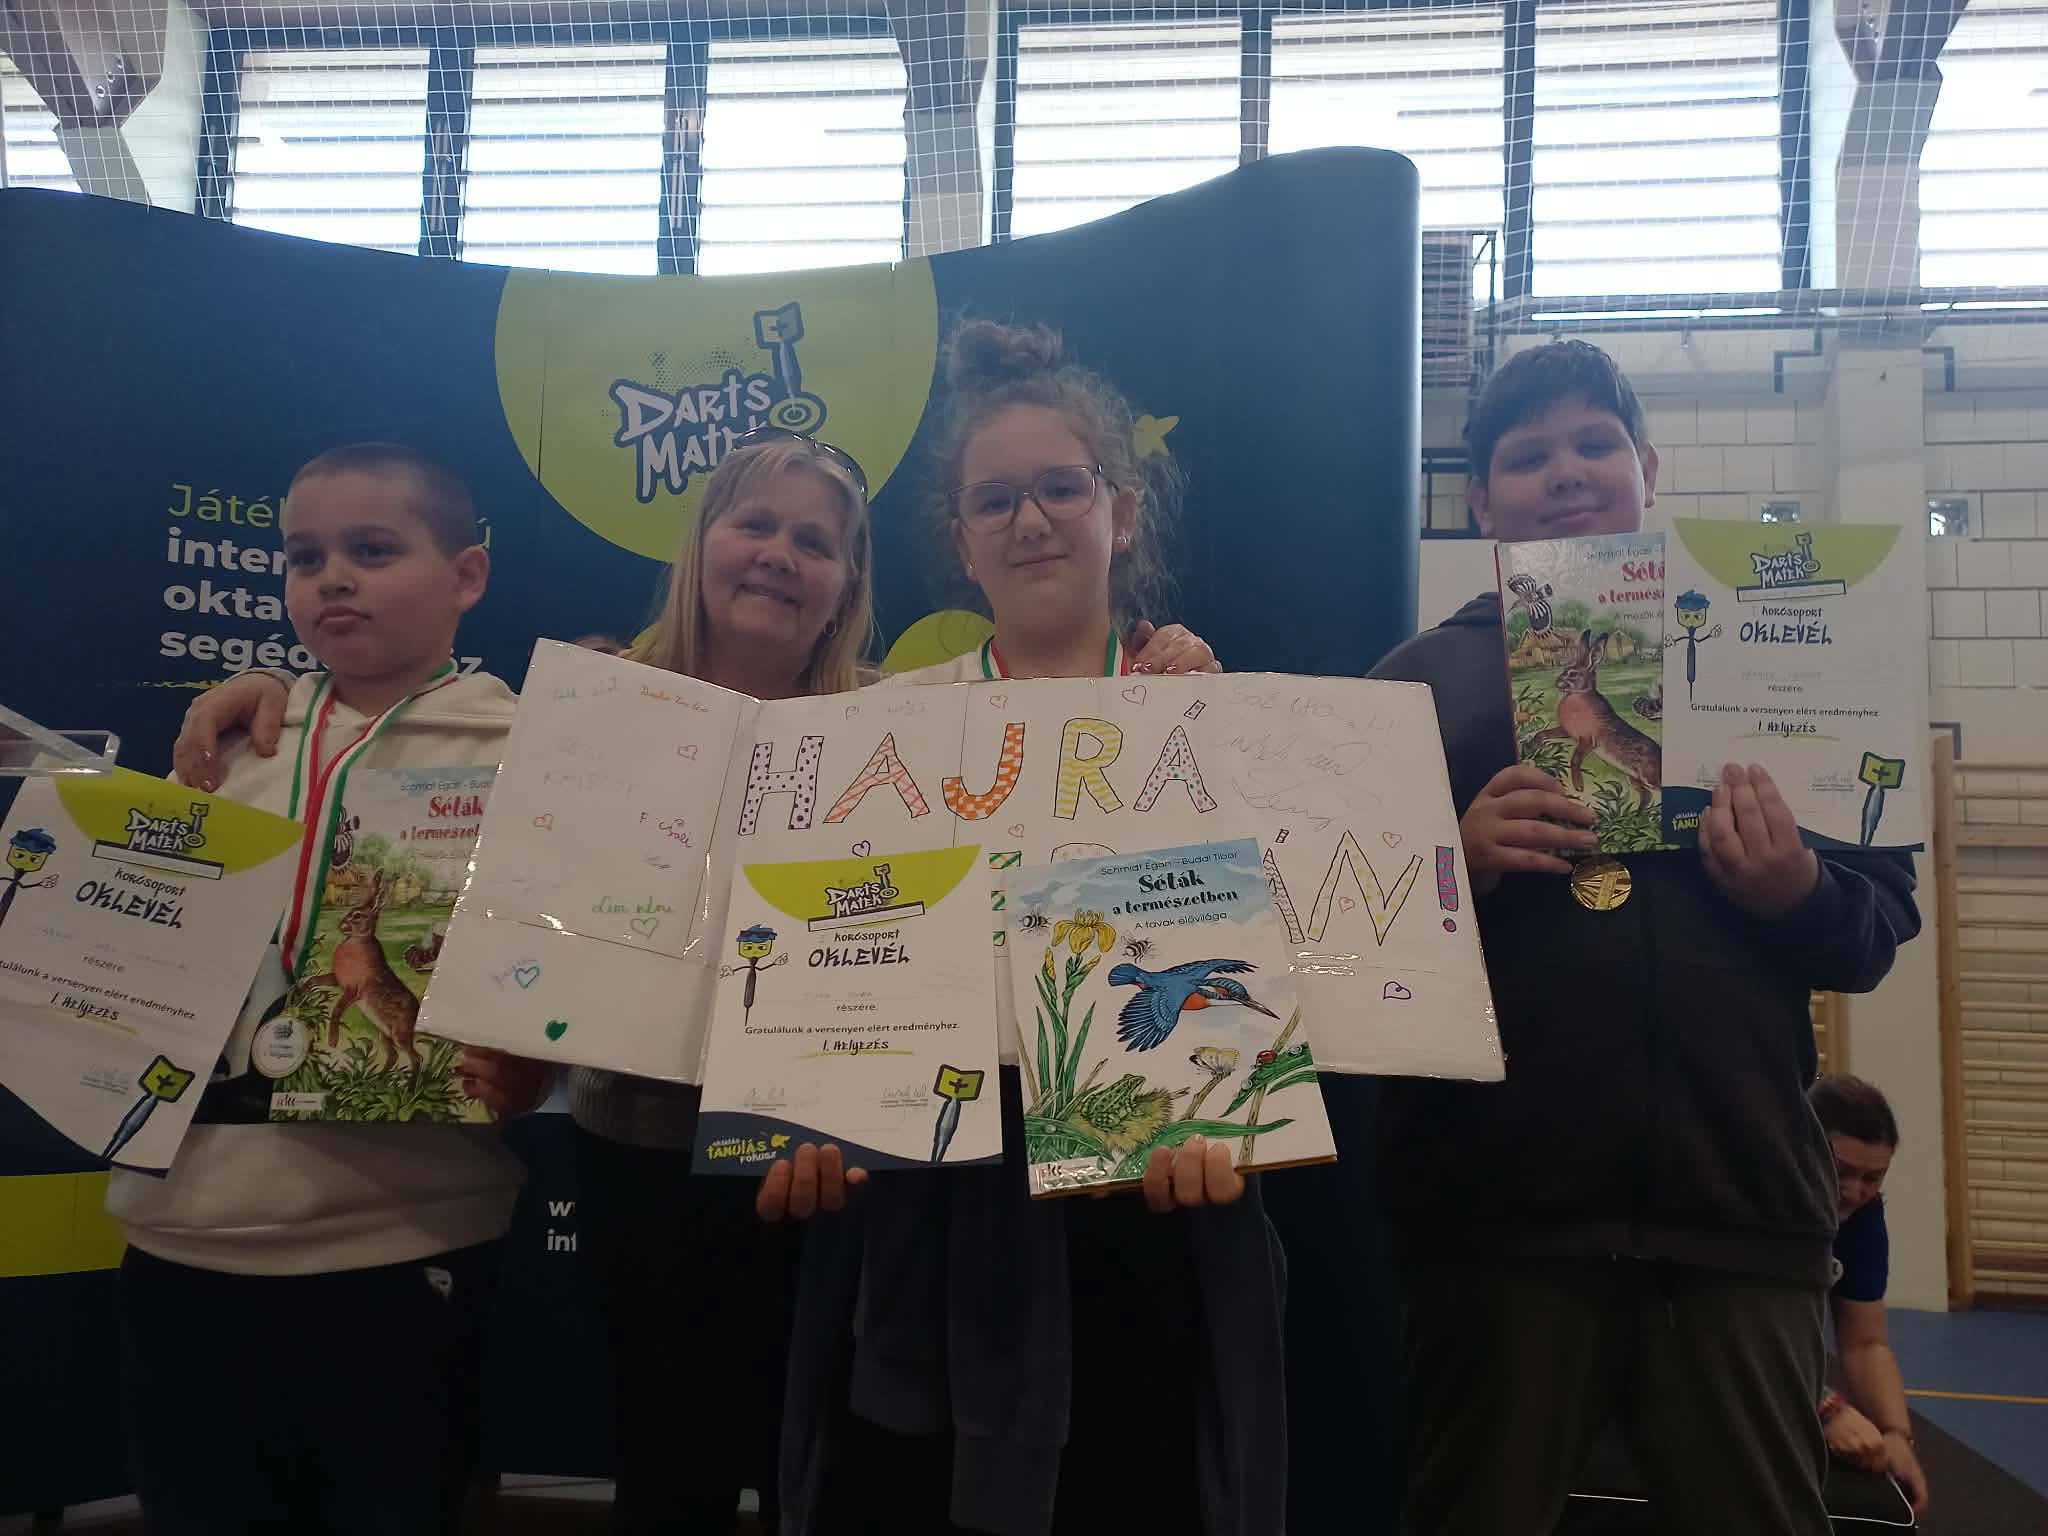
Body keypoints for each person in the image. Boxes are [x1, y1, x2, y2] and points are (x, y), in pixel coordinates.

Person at [171, 424, 1218, 1535]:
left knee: (830, 1472)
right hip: (642, 1157)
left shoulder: (898, 724)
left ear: (846, 582)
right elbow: (431, 776)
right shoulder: (588, 706)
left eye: (812, 541)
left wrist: (1176, 662)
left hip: (835, 1169)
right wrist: (266, 688)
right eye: (752, 523)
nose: (776, 554)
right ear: (700, 545)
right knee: (667, 1466)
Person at [1368, 341, 1922, 1536]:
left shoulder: (1776, 656)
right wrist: (1450, 864)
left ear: (1647, 468)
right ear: (1480, 503)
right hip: (1494, 1223)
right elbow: (1337, 956)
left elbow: (1872, 930)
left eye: (1592, 444)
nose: (1564, 472)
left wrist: (1794, 888)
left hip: (1737, 1216)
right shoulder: (1411, 684)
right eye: (1527, 457)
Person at [760, 320, 1282, 1536]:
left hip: (1147, 1209)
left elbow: (1276, 968)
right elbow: (831, 970)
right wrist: (799, 1113)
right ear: (960, 539)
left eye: (1062, 487)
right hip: (931, 1223)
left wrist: (1229, 1113)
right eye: (993, 500)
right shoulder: (885, 730)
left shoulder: (1211, 710)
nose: (1030, 519)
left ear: (1122, 512)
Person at [108, 443, 548, 1534]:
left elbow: (564, 972)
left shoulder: (530, 753)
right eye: (305, 557)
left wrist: (538, 1058)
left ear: (467, 575)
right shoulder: (228, 749)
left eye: (374, 550)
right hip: (182, 1240)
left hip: (403, 1244)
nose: (333, 578)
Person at [1809, 1073, 1929, 1515]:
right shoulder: (1754, 1200)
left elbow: (1865, 1343)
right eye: (1841, 1171)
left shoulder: (1861, 1218)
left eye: (1872, 1178)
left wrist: (1896, 1435)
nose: (1853, 1191)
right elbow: (1728, 1331)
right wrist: (1822, 1407)